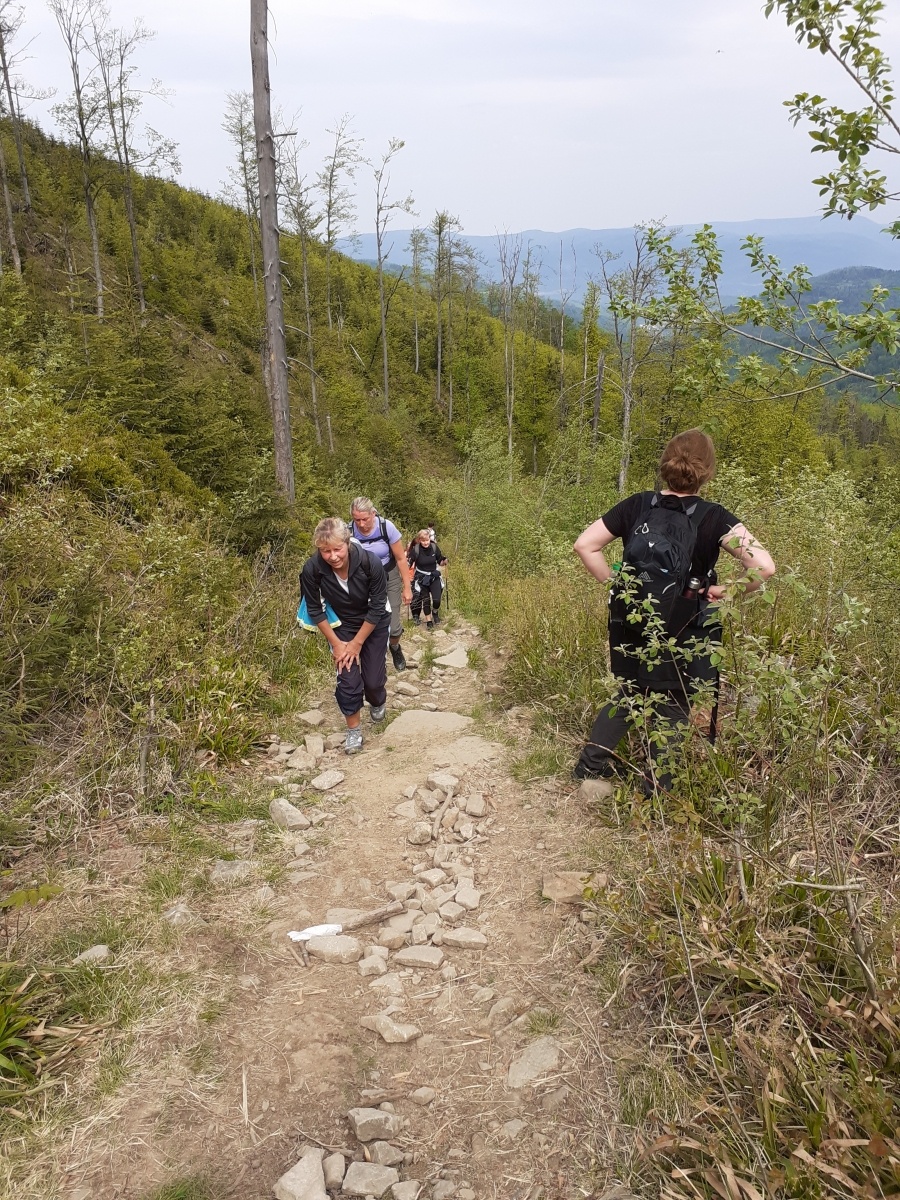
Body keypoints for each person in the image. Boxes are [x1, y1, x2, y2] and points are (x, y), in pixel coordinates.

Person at [572, 429, 775, 790]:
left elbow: (585, 545)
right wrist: (725, 591)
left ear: (666, 464)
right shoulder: (714, 518)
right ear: (707, 471)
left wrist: (616, 581)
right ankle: (655, 790)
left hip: (632, 621)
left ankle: (590, 766)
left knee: (632, 692)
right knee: (675, 702)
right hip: (686, 625)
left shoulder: (637, 505)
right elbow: (764, 567)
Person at [300, 517, 390, 755]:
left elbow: (378, 606)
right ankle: (354, 731)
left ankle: (378, 699)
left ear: (348, 543)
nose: (332, 556)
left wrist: (357, 644)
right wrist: (338, 644)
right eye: (325, 551)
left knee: (372, 680)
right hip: (341, 624)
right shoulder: (312, 569)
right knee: (348, 678)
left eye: (337, 549)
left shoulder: (370, 563)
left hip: (375, 622)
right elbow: (314, 609)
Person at [350, 497, 412, 673]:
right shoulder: (349, 531)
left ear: (373, 514)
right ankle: (372, 661)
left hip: (388, 574)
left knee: (393, 626)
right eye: (357, 520)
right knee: (365, 620)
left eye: (365, 519)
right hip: (363, 579)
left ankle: (395, 647)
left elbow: (401, 558)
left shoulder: (386, 527)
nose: (361, 524)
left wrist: (407, 587)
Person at [408, 529, 447, 628]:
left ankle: (435, 612)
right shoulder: (416, 550)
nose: (425, 542)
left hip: (434, 576)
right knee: (426, 600)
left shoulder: (434, 547)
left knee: (436, 599)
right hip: (421, 577)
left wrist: (444, 561)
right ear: (420, 540)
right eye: (423, 540)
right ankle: (429, 620)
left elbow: (440, 561)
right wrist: (406, 574)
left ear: (430, 538)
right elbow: (409, 562)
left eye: (427, 540)